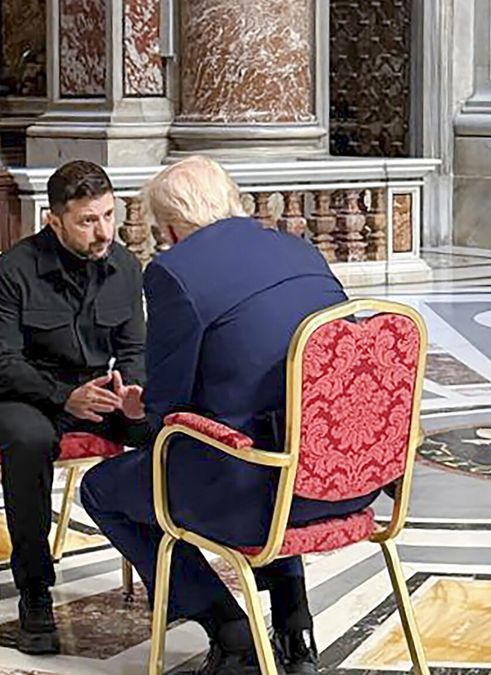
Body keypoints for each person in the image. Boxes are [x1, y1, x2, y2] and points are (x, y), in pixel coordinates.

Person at [81, 156, 384, 675]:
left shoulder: (175, 272)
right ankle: (295, 630)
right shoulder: (301, 250)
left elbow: (168, 411)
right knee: (277, 430)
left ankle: (227, 626)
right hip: (344, 481)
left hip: (254, 502)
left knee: (104, 490)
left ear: (171, 228)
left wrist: (138, 407)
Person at [0, 160, 150, 655]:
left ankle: (168, 569)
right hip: (20, 394)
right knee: (29, 442)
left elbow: (134, 350)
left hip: (94, 391)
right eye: (88, 221)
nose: (103, 231)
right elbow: (1, 361)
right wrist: (62, 397)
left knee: (166, 429)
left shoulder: (125, 267)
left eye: (109, 215)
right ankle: (34, 591)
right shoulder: (13, 269)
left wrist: (133, 393)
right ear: (53, 220)